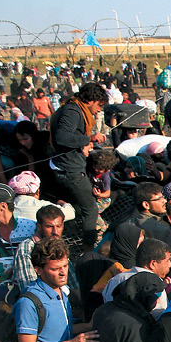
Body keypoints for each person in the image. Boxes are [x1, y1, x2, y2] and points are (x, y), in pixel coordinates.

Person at [49, 82, 108, 243]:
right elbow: (61, 136)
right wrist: (89, 138)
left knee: (77, 205)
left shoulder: (74, 109)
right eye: (99, 105)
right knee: (90, 208)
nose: (99, 110)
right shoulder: (73, 112)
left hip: (68, 166)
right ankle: (89, 248)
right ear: (90, 100)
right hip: (70, 170)